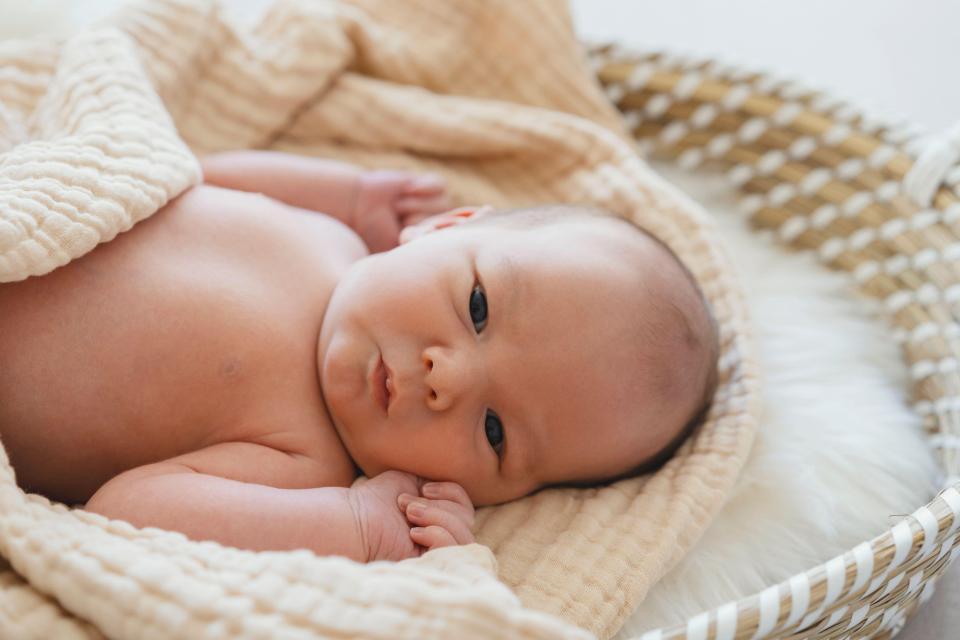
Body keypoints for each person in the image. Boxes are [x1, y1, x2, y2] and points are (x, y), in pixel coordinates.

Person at [0, 150, 718, 562]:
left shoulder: (301, 460)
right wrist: (345, 190)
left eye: (495, 431)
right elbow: (182, 172)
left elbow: (124, 509)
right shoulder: (328, 233)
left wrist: (358, 527)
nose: (449, 378)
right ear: (443, 226)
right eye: (477, 307)